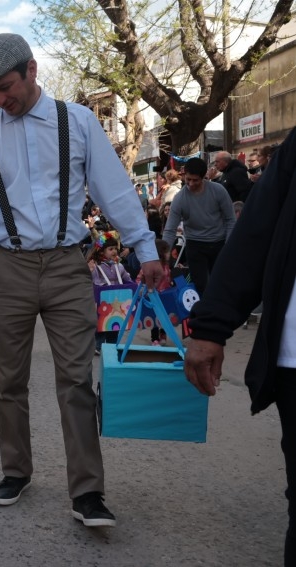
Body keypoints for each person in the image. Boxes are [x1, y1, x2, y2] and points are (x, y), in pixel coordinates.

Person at [0, 33, 160, 528]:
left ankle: (87, 492)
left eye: (6, 86)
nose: (0, 99)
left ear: (32, 69)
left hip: (68, 266)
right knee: (9, 380)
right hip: (7, 268)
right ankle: (16, 471)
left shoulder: (78, 121)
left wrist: (146, 249)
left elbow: (114, 191)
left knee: (76, 379)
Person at [184, 125, 296, 566]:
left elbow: (235, 226)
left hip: (215, 242)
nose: (192, 182)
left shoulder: (216, 191)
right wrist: (211, 326)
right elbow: (257, 232)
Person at [161, 157, 236, 297]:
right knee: (200, 285)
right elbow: (170, 229)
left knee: (220, 283)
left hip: (218, 243)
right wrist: (163, 253)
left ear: (203, 177)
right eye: (188, 179)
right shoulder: (179, 198)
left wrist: (229, 244)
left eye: (195, 180)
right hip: (195, 244)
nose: (190, 184)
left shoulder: (218, 191)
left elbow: (231, 220)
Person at [88, 231, 133, 355]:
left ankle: (112, 346)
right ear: (102, 251)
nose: (114, 251)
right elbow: (95, 281)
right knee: (102, 323)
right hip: (103, 300)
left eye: (115, 248)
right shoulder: (97, 266)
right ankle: (98, 345)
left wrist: (133, 285)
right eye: (110, 249)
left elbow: (127, 278)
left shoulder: (119, 266)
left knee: (115, 323)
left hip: (117, 299)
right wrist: (91, 270)